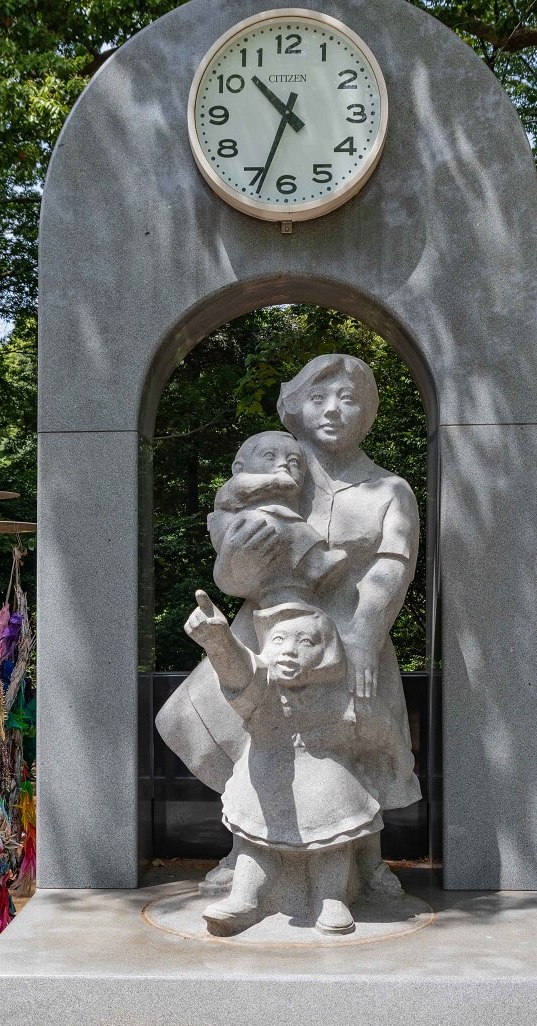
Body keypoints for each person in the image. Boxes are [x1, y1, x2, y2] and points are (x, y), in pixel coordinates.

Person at [155, 353, 421, 897]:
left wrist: (367, 631)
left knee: (350, 739)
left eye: (348, 400)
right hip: (264, 631)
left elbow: (393, 566)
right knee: (232, 728)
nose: (332, 411)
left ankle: (364, 856)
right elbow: (230, 570)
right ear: (295, 409)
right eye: (318, 398)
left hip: (352, 635)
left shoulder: (389, 489)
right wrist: (241, 560)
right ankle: (248, 843)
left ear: (368, 413)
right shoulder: (276, 476)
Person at [184, 590, 390, 935]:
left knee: (333, 843)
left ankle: (331, 897)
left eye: (305, 641)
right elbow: (240, 676)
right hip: (267, 781)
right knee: (256, 846)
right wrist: (219, 641)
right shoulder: (263, 685)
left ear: (325, 652)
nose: (289, 650)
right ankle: (244, 897)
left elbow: (375, 729)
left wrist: (387, 751)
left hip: (327, 785)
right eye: (278, 639)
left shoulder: (341, 693)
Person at [208, 430, 347, 606]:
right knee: (290, 527)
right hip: (237, 528)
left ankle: (315, 563)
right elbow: (241, 489)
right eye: (269, 456)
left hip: (269, 537)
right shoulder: (237, 482)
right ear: (239, 468)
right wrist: (277, 481)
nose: (283, 465)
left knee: (296, 529)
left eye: (294, 461)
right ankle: (314, 563)